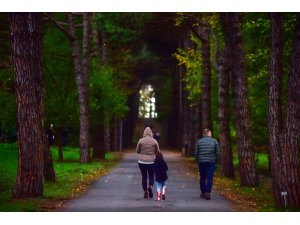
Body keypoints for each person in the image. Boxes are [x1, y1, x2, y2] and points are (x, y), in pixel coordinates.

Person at [194, 128, 220, 200]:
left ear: (203, 134)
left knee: (202, 178)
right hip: (211, 162)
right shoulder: (214, 141)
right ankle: (208, 192)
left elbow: (196, 153)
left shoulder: (199, 142)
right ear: (209, 134)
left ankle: (203, 192)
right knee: (209, 178)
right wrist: (217, 161)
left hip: (201, 162)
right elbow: (217, 153)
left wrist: (198, 160)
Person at [136, 127, 160, 199]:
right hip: (152, 162)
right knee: (151, 175)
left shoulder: (140, 141)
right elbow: (157, 152)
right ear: (151, 133)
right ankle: (150, 186)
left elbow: (137, 151)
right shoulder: (154, 141)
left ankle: (145, 192)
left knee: (144, 177)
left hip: (142, 162)